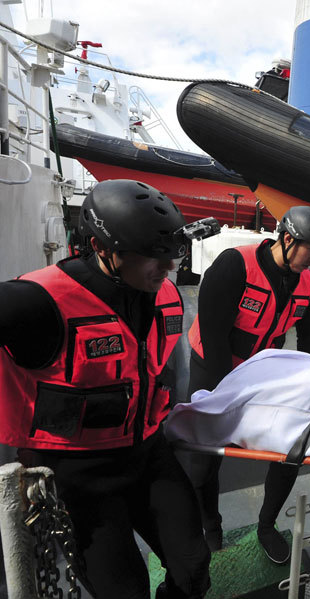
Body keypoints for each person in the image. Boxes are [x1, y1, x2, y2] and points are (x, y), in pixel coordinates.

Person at [0, 179, 210, 599]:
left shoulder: (164, 294)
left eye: (171, 257)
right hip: (78, 473)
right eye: (153, 258)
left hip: (147, 454)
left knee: (193, 568)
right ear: (101, 248)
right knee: (125, 590)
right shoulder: (39, 302)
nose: (168, 270)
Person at [185, 205, 310, 563]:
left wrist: (306, 382)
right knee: (204, 459)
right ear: (287, 239)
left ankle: (266, 527)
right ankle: (210, 529)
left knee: (292, 447)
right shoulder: (234, 265)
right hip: (214, 365)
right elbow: (214, 333)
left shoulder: (306, 281)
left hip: (263, 371)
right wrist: (226, 397)